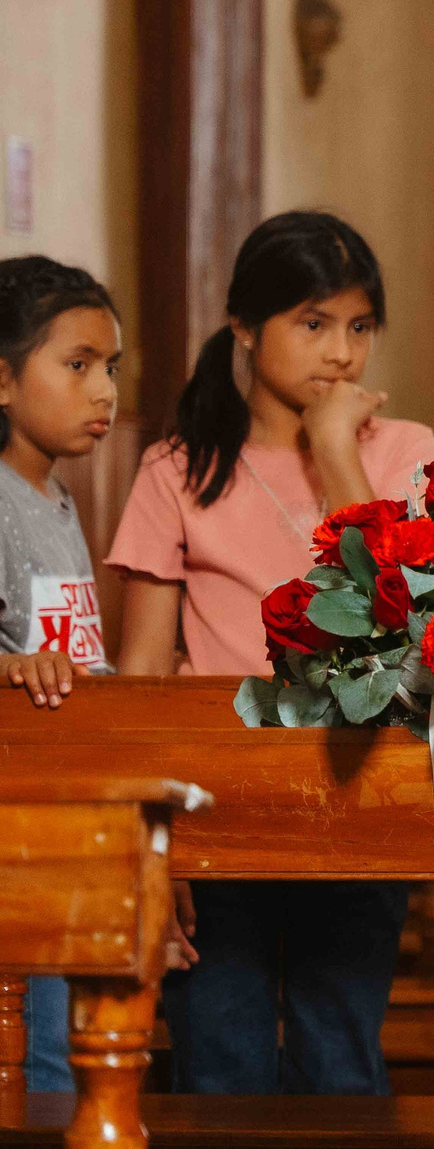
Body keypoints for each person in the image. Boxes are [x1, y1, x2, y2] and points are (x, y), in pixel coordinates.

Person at [106, 211, 434, 1096]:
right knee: (220, 1067)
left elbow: (403, 619)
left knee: (341, 1065)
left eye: (360, 327)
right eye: (313, 323)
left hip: (358, 796)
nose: (341, 353)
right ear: (245, 328)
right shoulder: (177, 470)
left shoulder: (404, 453)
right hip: (215, 809)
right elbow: (142, 672)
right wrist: (148, 840)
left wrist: (334, 450)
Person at [0, 255, 126, 1094]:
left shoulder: (55, 496)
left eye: (111, 367)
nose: (104, 391)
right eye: (77, 365)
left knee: (70, 1052)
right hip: (20, 817)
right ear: (3, 380)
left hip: (70, 812)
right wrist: (14, 666)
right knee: (40, 1060)